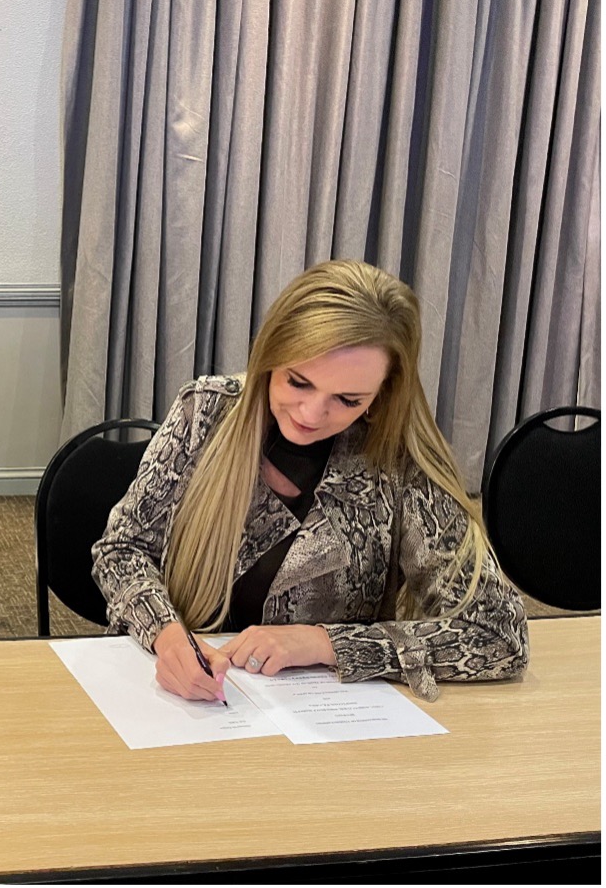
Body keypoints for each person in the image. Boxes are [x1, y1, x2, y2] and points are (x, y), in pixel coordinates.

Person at [92, 260, 528, 703]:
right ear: (269, 358)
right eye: (298, 382)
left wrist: (324, 643)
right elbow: (121, 550)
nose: (311, 414)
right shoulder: (205, 412)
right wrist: (167, 636)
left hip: (326, 715)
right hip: (181, 701)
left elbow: (499, 633)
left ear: (383, 393)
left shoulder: (399, 460)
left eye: (348, 399)